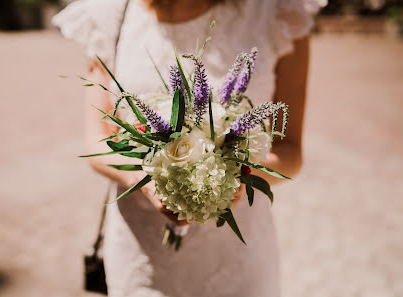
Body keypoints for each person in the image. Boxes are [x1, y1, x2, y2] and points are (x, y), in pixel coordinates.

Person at [53, 0, 318, 296]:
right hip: (141, 254)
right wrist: (142, 180)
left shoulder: (278, 12)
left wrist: (233, 178)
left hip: (237, 259)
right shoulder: (109, 13)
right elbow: (98, 140)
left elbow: (291, 151)